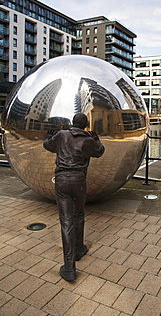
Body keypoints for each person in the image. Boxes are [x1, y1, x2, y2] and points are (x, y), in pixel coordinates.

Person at [43, 113, 105, 281]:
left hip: (62, 180)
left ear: (72, 123)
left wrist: (48, 137)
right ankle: (77, 250)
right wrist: (97, 140)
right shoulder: (88, 140)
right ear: (85, 126)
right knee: (78, 214)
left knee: (66, 221)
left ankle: (70, 265)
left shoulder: (62, 135)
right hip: (79, 181)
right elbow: (99, 152)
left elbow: (48, 145)